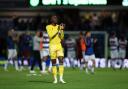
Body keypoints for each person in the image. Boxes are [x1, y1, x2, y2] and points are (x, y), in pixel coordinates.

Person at [46, 15, 66, 84]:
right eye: (54, 18)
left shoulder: (59, 26)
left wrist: (62, 30)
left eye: (56, 18)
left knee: (61, 60)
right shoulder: (48, 27)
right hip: (52, 46)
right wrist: (58, 30)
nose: (56, 19)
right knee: (53, 63)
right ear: (51, 20)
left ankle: (61, 78)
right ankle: (55, 79)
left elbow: (62, 37)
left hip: (59, 45)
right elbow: (50, 35)